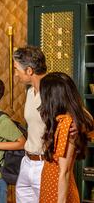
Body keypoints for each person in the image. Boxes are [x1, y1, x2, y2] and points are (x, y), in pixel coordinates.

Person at [38, 72, 94, 203]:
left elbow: (65, 171)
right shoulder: (61, 120)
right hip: (51, 187)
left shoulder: (65, 123)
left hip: (57, 192)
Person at [13, 46, 47, 202]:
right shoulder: (29, 92)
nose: (15, 74)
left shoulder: (55, 90)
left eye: (16, 69)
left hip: (46, 164)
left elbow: (86, 120)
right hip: (27, 162)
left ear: (29, 71)